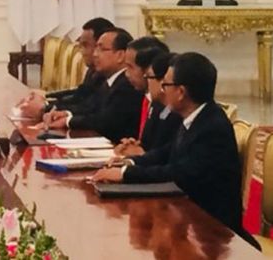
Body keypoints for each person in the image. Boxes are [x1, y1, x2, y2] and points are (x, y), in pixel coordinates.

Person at [92, 52, 260, 250]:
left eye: (166, 85)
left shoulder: (212, 126)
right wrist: (130, 162)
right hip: (188, 214)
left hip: (212, 231)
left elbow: (180, 172)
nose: (162, 91)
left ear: (181, 92)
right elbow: (167, 151)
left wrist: (124, 175)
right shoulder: (196, 116)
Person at [46, 28, 144, 142]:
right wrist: (65, 114)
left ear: (120, 55)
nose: (95, 54)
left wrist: (68, 120)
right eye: (96, 47)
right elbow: (89, 107)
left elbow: (106, 122)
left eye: (101, 49)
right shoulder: (108, 81)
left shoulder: (127, 85)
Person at [18, 17, 114, 121]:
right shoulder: (93, 70)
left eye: (85, 45)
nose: (82, 52)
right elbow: (79, 95)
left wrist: (45, 108)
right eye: (80, 46)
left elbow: (88, 107)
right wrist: (46, 98)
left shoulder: (108, 74)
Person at [116, 46, 182, 157]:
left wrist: (143, 153)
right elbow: (150, 144)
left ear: (163, 81)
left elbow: (168, 154)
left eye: (149, 77)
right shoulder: (158, 107)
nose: (147, 81)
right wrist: (135, 145)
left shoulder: (177, 113)